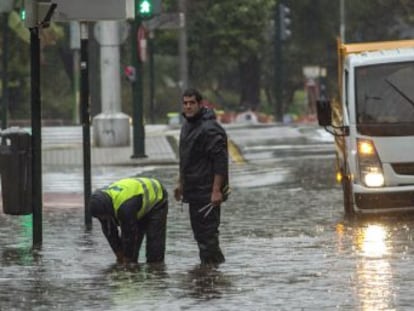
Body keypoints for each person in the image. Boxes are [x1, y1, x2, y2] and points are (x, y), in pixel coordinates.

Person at [174, 88, 230, 265]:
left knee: (208, 239)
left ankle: (212, 281)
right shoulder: (187, 126)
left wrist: (216, 190)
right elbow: (186, 158)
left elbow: (220, 161)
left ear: (200, 104)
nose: (188, 107)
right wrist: (180, 183)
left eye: (192, 103)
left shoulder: (209, 128)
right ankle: (209, 278)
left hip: (207, 193)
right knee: (201, 237)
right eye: (185, 103)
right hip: (193, 192)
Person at [89, 177, 168, 264]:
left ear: (106, 209)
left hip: (156, 199)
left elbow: (129, 234)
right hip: (137, 201)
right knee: (131, 254)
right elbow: (110, 232)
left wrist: (126, 261)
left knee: (154, 250)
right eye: (99, 217)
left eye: (103, 216)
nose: (102, 218)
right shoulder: (100, 204)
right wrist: (119, 255)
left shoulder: (125, 208)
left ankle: (156, 271)